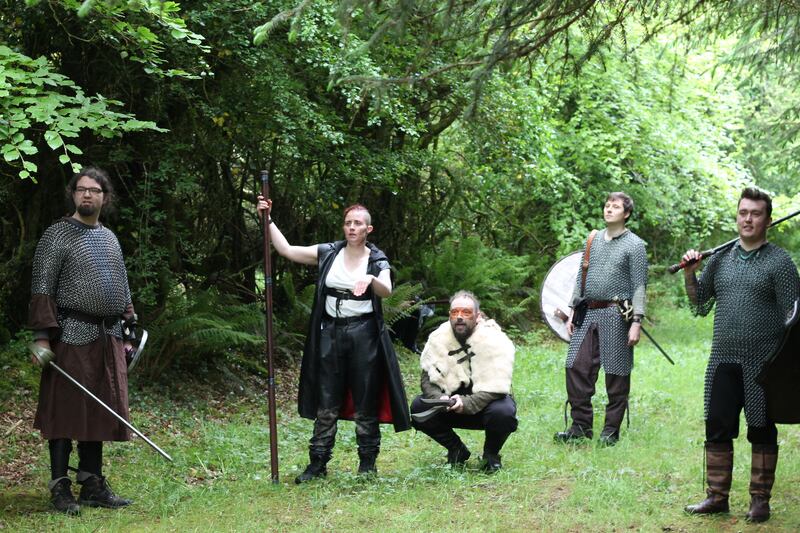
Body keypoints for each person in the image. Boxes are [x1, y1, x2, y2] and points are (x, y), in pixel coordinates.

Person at [257, 196, 410, 483]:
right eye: (348, 223)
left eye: (358, 224)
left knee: (366, 400)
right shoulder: (328, 252)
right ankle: (317, 464)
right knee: (327, 400)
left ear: (368, 229)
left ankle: (367, 465)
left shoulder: (377, 259)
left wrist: (370, 280)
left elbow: (387, 289)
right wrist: (267, 219)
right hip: (330, 335)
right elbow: (288, 250)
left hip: (364, 336)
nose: (352, 228)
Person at [682, 187, 799, 523]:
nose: (748, 219)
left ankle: (760, 500)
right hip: (723, 359)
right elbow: (700, 302)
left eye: (755, 213)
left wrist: (785, 364)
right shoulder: (720, 258)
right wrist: (691, 273)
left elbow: (793, 317)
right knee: (717, 427)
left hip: (764, 363)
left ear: (768, 220)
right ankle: (716, 497)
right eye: (743, 212)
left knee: (761, 428)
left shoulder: (780, 263)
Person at [30, 167, 136, 515]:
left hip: (108, 335)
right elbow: (42, 289)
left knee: (100, 407)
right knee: (65, 411)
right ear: (73, 195)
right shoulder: (57, 235)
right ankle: (60, 486)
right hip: (71, 334)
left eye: (94, 190)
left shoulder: (109, 237)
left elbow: (122, 285)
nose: (87, 195)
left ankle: (91, 482)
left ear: (105, 197)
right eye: (81, 190)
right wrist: (42, 337)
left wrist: (129, 326)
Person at [554, 192, 648, 446]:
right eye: (607, 205)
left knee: (617, 373)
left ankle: (610, 431)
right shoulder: (593, 240)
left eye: (615, 206)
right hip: (588, 312)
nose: (609, 209)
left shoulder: (635, 245)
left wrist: (637, 321)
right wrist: (574, 309)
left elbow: (639, 285)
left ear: (626, 213)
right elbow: (580, 277)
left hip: (616, 314)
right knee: (575, 366)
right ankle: (580, 427)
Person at [410, 291, 517, 472]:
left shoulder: (495, 340)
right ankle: (456, 449)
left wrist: (467, 403)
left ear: (478, 316)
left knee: (504, 411)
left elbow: (498, 386)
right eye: (454, 312)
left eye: (466, 313)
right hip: (449, 405)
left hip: (485, 406)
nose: (459, 317)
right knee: (419, 406)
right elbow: (427, 378)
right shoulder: (439, 338)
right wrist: (439, 398)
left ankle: (491, 454)